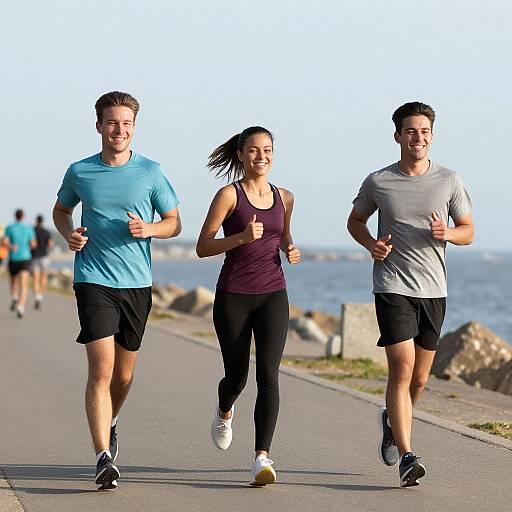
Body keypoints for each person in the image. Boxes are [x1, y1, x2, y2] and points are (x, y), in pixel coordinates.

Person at [53, 91, 181, 490]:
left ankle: (111, 420)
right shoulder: (80, 171)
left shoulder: (151, 172)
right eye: (112, 122)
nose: (119, 130)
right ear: (99, 126)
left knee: (123, 377)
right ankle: (101, 457)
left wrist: (150, 229)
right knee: (102, 370)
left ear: (134, 127)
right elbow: (62, 210)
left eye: (126, 123)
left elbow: (174, 221)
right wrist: (68, 234)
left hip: (137, 284)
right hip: (92, 279)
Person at [347, 102, 473, 487]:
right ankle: (407, 456)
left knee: (419, 380)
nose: (419, 138)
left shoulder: (449, 180)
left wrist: (447, 234)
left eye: (425, 131)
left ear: (432, 135)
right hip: (392, 285)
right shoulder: (379, 181)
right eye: (411, 131)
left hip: (434, 289)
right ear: (398, 135)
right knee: (401, 371)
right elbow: (355, 220)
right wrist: (371, 244)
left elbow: (468, 230)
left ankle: (391, 419)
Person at [196, 126, 300, 486]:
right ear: (241, 155)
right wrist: (239, 238)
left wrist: (290, 248)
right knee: (237, 377)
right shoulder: (229, 195)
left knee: (269, 375)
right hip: (234, 296)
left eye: (267, 150)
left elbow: (283, 234)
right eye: (254, 150)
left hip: (274, 294)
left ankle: (262, 458)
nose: (261, 157)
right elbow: (203, 246)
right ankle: (224, 410)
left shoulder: (284, 197)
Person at [4, 209, 36, 318]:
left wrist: (11, 247)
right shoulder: (28, 228)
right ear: (23, 216)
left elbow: (5, 242)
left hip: (13, 258)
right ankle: (21, 306)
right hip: (25, 258)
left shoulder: (9, 228)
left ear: (15, 216)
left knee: (13, 280)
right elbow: (33, 244)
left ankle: (14, 297)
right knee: (24, 283)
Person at [31, 214, 54, 309]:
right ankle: (41, 296)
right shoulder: (47, 232)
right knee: (43, 277)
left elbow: (31, 243)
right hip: (45, 257)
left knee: (36, 278)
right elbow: (50, 244)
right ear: (43, 221)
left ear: (36, 221)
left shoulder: (32, 231)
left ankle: (37, 296)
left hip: (34, 256)